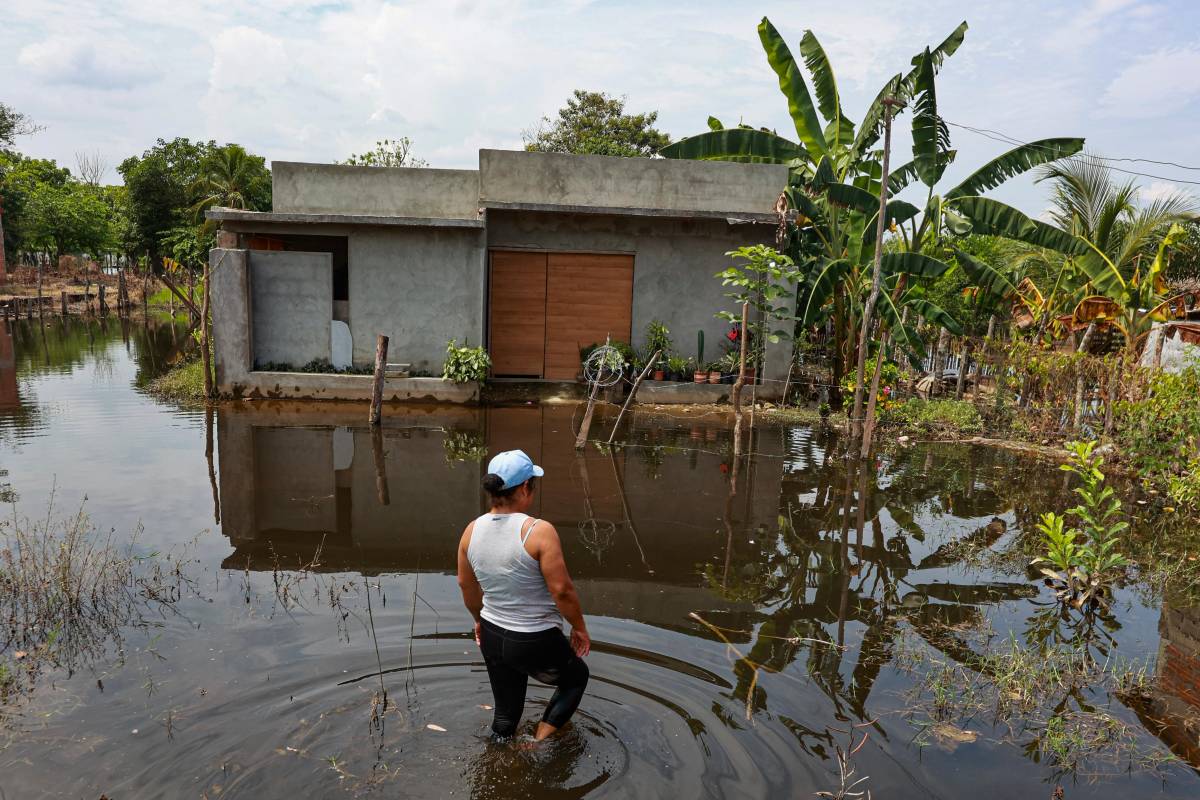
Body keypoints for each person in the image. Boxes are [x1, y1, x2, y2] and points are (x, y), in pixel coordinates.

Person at [457, 449, 591, 741]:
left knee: (505, 716)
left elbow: (466, 586)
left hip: (492, 634)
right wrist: (579, 628)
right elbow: (562, 591)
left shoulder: (471, 531)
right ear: (525, 488)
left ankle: (498, 755)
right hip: (534, 637)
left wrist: (478, 621)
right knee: (576, 678)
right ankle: (538, 744)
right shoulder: (539, 531)